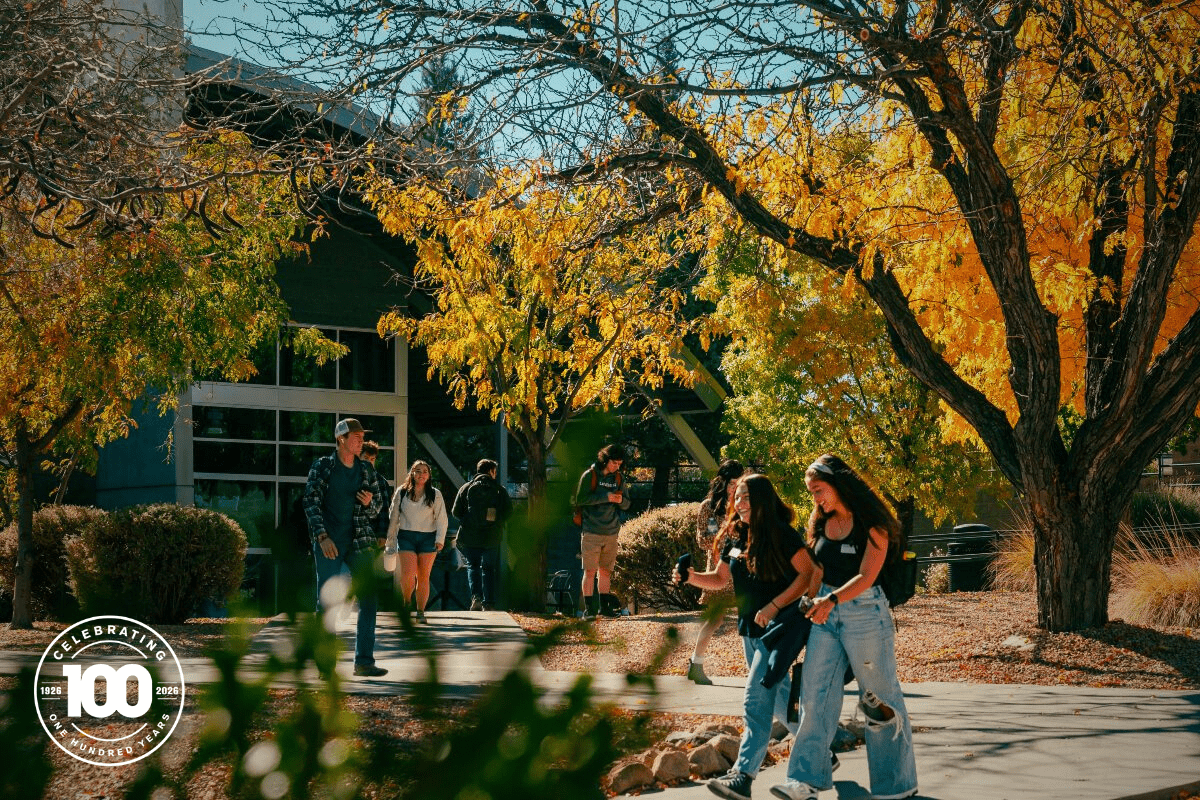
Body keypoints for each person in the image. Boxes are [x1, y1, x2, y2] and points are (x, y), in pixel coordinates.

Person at [771, 454, 918, 800]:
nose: (816, 499)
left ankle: (896, 785)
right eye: (811, 493)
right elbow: (818, 569)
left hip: (865, 614)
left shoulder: (873, 522)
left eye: (819, 490)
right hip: (825, 614)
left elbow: (867, 576)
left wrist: (831, 600)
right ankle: (806, 780)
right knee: (814, 694)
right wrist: (808, 601)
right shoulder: (821, 520)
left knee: (878, 698)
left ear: (838, 484)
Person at [675, 473, 822, 800]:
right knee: (781, 699)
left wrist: (774, 606)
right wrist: (689, 577)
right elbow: (719, 580)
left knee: (755, 701)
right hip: (750, 633)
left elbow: (809, 574)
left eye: (746, 498)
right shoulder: (736, 539)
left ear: (763, 500)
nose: (739, 503)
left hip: (777, 631)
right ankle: (820, 756)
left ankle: (742, 777)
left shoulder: (782, 534)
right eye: (737, 498)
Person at [303, 417, 387, 677]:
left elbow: (377, 508)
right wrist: (322, 536)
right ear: (341, 439)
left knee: (369, 601)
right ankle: (325, 667)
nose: (361, 441)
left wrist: (369, 503)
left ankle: (364, 662)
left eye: (362, 436)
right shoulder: (323, 467)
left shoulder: (366, 470)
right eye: (356, 437)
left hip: (359, 543)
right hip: (329, 541)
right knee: (326, 603)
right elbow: (310, 502)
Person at [687, 458, 745, 685]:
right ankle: (696, 663)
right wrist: (721, 541)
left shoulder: (743, 505)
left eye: (739, 484)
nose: (735, 489)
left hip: (742, 567)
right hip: (720, 569)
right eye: (732, 484)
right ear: (722, 482)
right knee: (715, 620)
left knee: (750, 617)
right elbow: (703, 539)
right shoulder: (709, 507)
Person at [385, 460, 448, 623]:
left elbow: (442, 519)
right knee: (408, 574)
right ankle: (407, 603)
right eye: (418, 471)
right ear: (412, 473)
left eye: (425, 471)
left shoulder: (435, 494)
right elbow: (393, 517)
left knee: (423, 576)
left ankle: (420, 612)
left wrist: (440, 539)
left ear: (429, 475)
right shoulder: (402, 492)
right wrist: (390, 540)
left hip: (428, 538)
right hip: (406, 537)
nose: (421, 474)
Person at [573, 443, 631, 618]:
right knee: (590, 571)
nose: (617, 466)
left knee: (606, 571)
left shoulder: (619, 479)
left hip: (611, 531)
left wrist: (619, 500)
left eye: (619, 463)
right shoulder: (589, 476)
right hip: (591, 530)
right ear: (605, 460)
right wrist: (605, 497)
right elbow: (580, 499)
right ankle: (589, 609)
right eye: (614, 463)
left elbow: (628, 504)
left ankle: (604, 608)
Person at [451, 458, 513, 611]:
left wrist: (468, 521)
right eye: (495, 471)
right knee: (489, 568)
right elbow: (508, 512)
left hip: (470, 537)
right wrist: (496, 522)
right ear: (491, 471)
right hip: (491, 537)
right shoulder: (499, 490)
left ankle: (476, 598)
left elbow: (455, 512)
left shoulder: (466, 488)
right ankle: (489, 603)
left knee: (473, 566)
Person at [360, 441, 392, 540]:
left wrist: (382, 535)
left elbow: (385, 510)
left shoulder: (381, 482)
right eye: (366, 458)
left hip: (373, 534)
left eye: (372, 459)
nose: (369, 462)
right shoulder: (350, 477)